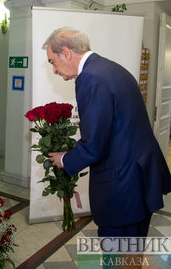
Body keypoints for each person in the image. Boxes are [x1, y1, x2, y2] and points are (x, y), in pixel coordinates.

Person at [44, 27, 171, 237]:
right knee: (131, 253)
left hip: (122, 185)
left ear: (66, 53)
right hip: (138, 176)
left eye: (52, 62)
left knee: (118, 257)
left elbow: (94, 145)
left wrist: (65, 160)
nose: (55, 70)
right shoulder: (111, 68)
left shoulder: (91, 78)